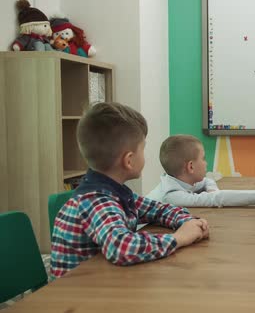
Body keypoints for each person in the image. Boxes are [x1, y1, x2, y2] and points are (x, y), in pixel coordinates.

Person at [51, 103, 208, 278]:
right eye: (143, 148)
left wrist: (188, 222)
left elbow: (157, 209)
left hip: (101, 283)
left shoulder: (116, 193)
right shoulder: (96, 200)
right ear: (129, 160)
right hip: (73, 295)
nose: (145, 155)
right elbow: (122, 247)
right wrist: (179, 238)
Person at [147, 134, 255, 207]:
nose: (206, 163)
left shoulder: (180, 180)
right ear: (190, 167)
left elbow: (208, 181)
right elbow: (215, 199)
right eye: (203, 158)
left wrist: (213, 190)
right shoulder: (171, 196)